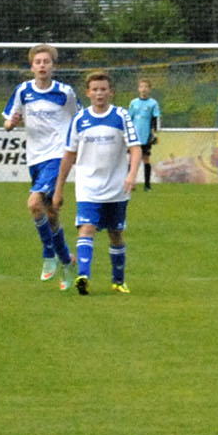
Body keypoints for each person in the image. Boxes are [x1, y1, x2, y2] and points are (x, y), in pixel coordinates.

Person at [55, 71, 141, 295]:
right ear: (88, 93)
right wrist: (58, 189)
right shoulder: (79, 120)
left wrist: (132, 174)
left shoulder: (121, 116)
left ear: (111, 92)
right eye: (95, 90)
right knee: (86, 228)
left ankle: (118, 281)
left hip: (116, 188)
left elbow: (135, 148)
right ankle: (83, 276)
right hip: (88, 187)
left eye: (103, 89)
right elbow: (69, 155)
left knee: (115, 233)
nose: (99, 93)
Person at [1, 43, 79, 287]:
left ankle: (48, 254)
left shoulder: (65, 92)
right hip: (35, 158)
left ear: (53, 66)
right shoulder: (23, 91)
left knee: (34, 203)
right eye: (38, 62)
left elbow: (78, 119)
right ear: (32, 67)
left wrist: (76, 149)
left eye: (46, 61)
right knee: (50, 214)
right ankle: (66, 261)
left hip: (57, 156)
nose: (42, 65)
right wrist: (12, 123)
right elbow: (8, 121)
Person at [127, 78, 163, 191]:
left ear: (149, 89)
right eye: (141, 87)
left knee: (146, 158)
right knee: (132, 159)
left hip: (145, 136)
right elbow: (129, 118)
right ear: (138, 89)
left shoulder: (153, 103)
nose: (144, 89)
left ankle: (147, 185)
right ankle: (131, 183)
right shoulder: (134, 103)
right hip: (134, 136)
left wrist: (155, 133)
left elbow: (156, 118)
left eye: (146, 87)